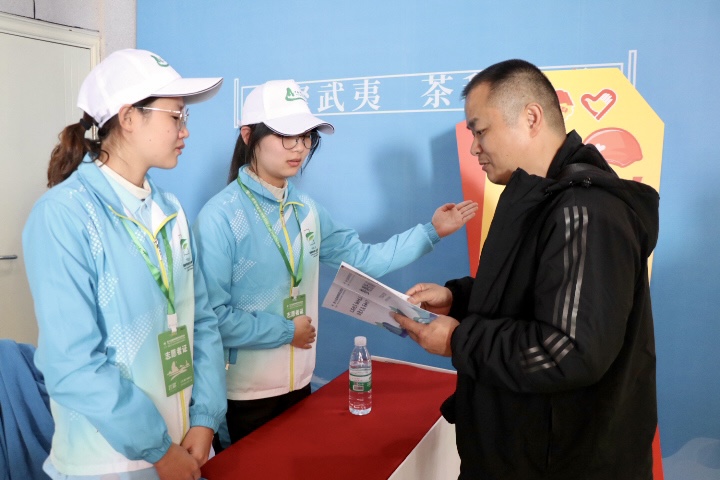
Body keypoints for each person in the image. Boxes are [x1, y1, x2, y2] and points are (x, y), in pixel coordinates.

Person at [393, 59, 659, 479]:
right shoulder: (543, 199)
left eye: (480, 131)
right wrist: (457, 298)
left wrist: (460, 340)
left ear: (531, 117)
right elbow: (534, 294)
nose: (474, 148)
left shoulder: (585, 211)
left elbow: (567, 350)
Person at [192, 79, 478, 445]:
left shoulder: (306, 210)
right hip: (242, 396)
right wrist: (286, 331)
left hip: (299, 386)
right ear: (248, 135)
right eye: (286, 136)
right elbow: (212, 318)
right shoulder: (220, 216)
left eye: (306, 136)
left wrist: (431, 231)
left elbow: (363, 259)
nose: (300, 147)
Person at [22, 49, 227, 480]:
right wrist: (158, 449)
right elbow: (72, 364)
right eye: (176, 116)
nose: (185, 130)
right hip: (107, 462)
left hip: (183, 444)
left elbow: (202, 321)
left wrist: (205, 417)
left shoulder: (170, 210)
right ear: (129, 117)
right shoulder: (65, 214)